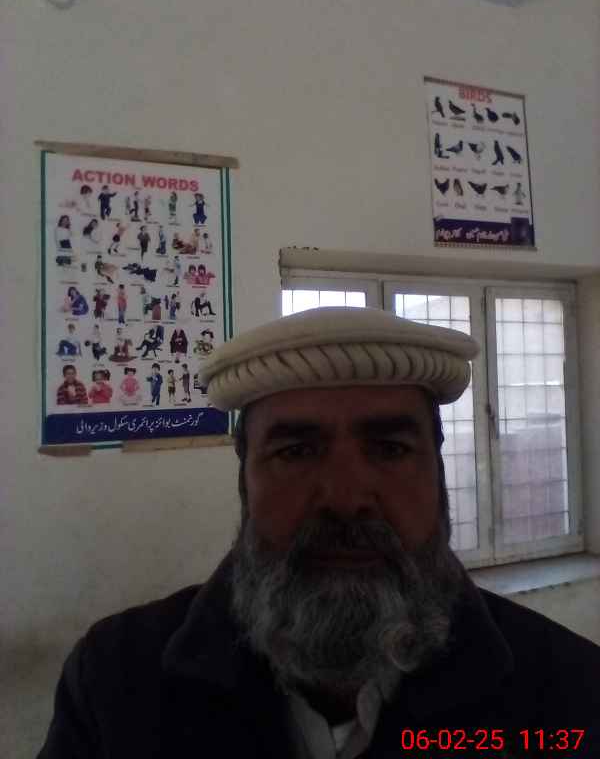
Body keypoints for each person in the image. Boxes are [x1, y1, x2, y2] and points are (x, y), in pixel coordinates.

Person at [37, 307, 600, 759]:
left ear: (439, 475)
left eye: (390, 449)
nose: (346, 497)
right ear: (244, 482)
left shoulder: (571, 695)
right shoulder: (115, 684)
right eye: (297, 452)